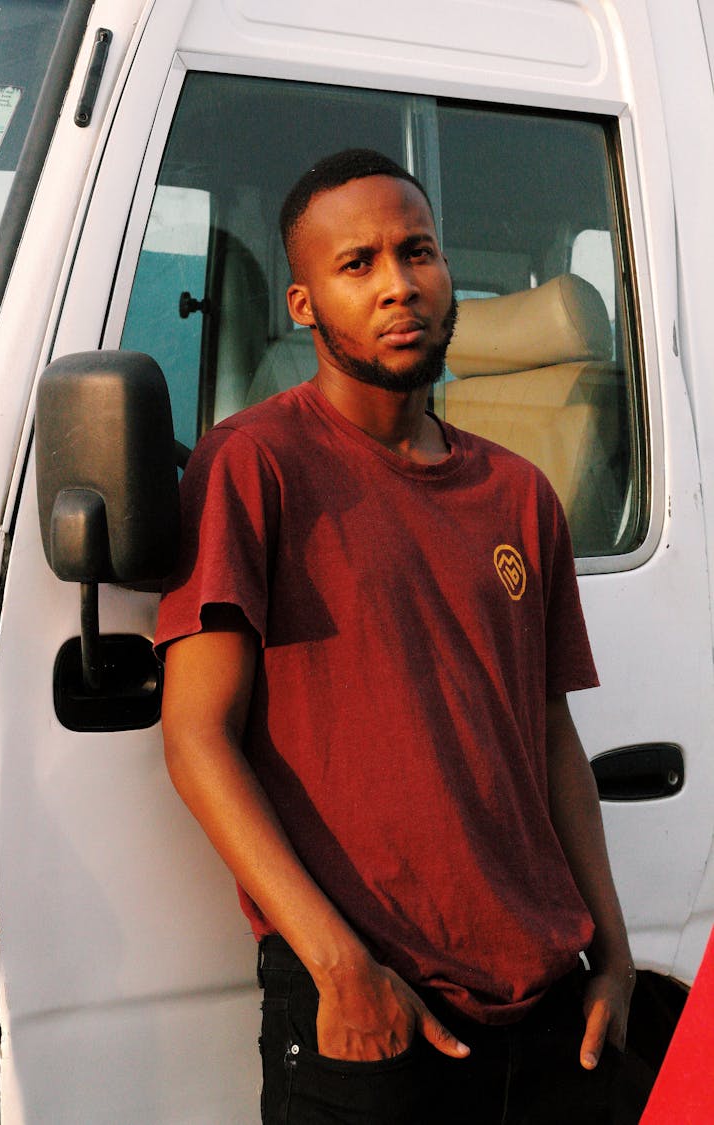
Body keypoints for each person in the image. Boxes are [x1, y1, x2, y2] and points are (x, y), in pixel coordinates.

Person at [156, 149, 640, 1124]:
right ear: (302, 304)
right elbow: (196, 738)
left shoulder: (519, 493)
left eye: (416, 252)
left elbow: (550, 740)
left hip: (549, 1001)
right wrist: (341, 969)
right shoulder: (253, 465)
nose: (396, 284)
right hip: (376, 999)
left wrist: (617, 959)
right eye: (357, 264)